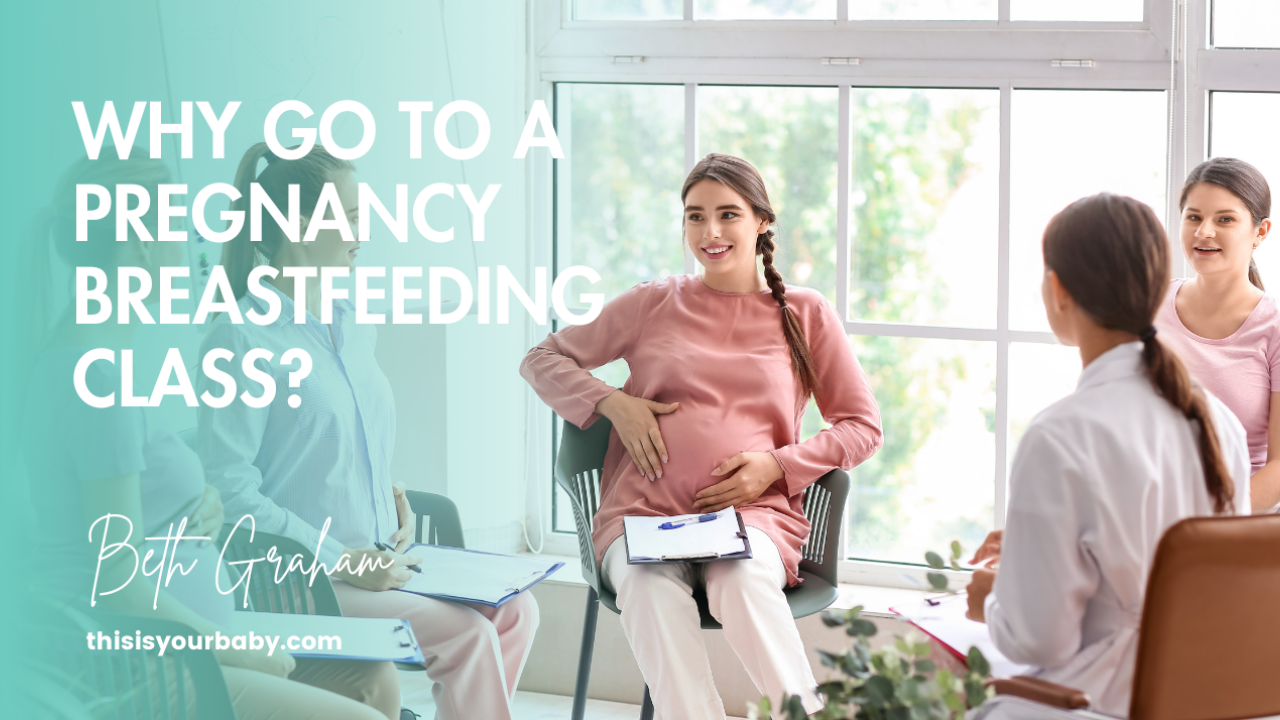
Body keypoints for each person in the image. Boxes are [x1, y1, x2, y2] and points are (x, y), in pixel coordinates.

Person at [21, 152, 399, 720]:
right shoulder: (98, 382)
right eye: (182, 228)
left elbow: (115, 507)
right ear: (142, 247)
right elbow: (115, 577)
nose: (198, 248)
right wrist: (233, 648)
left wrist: (202, 501)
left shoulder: (79, 363)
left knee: (370, 677)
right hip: (148, 661)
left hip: (172, 636)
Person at [520, 153, 883, 719]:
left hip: (753, 518)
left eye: (727, 215)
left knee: (739, 580)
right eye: (694, 217)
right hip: (642, 516)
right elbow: (541, 358)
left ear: (762, 221)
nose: (709, 233)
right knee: (646, 587)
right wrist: (612, 402)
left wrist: (777, 466)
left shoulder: (805, 313)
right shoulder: (652, 302)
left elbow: (862, 427)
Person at [197, 142, 538, 720]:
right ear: (303, 227)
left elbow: (328, 440)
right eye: (351, 217)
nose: (363, 231)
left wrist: (387, 496)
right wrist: (343, 559)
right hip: (302, 580)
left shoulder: (350, 317)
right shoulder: (240, 338)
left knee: (517, 612)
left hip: (379, 556)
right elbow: (230, 494)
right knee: (465, 635)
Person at [965, 193, 1251, 716]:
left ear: (1057, 290)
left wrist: (994, 598)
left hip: (1101, 701)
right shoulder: (1219, 423)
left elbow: (1039, 642)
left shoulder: (1060, 435)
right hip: (1201, 697)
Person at [1153, 157, 1280, 511]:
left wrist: (1206, 529)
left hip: (1234, 528)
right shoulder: (1149, 306)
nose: (1204, 231)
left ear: (1261, 232)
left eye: (1225, 219)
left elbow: (1279, 466)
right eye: (1193, 216)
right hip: (1145, 516)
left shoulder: (1274, 329)